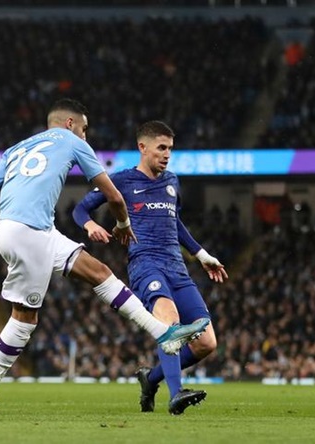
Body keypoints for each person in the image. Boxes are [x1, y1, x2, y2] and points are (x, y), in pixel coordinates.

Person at [0, 99, 209, 416]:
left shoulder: (19, 147)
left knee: (98, 271)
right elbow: (114, 196)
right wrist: (122, 224)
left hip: (25, 230)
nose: (86, 136)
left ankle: (165, 334)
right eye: (84, 129)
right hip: (29, 233)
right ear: (69, 125)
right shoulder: (72, 142)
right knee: (23, 320)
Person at [72, 120, 228, 415]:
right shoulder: (121, 180)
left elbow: (175, 223)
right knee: (169, 322)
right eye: (161, 148)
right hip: (145, 264)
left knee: (206, 343)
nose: (167, 154)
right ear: (142, 148)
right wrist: (91, 224)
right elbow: (80, 208)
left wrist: (202, 254)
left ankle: (151, 378)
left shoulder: (172, 182)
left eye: (170, 148)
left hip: (178, 268)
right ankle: (176, 393)